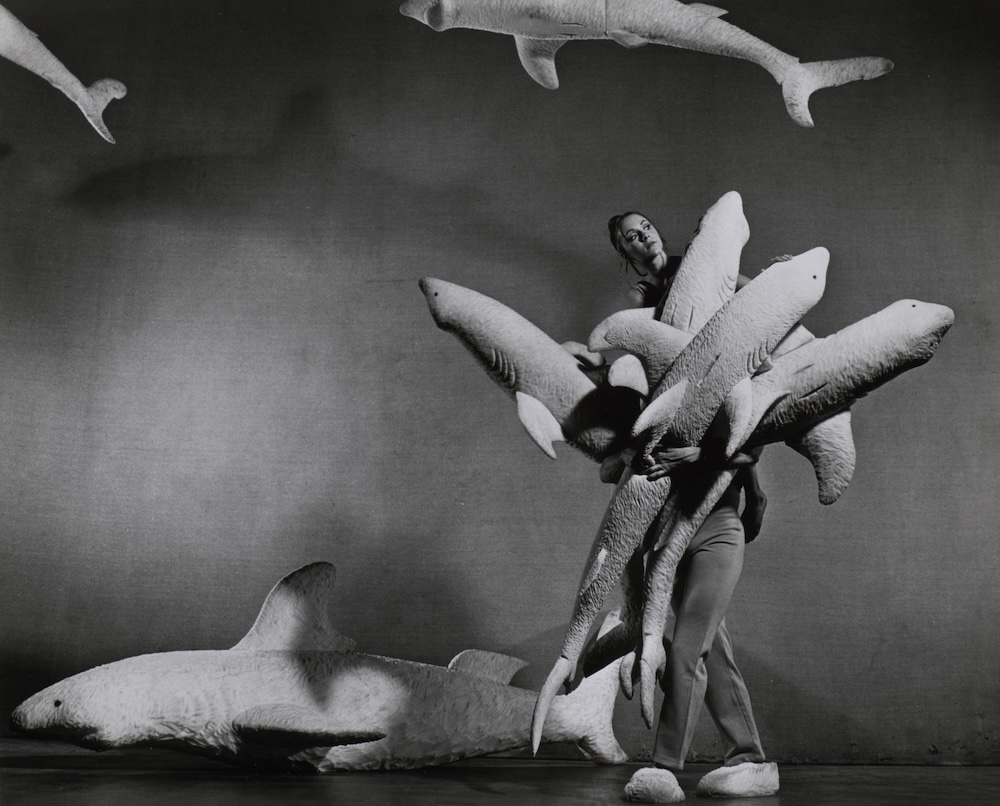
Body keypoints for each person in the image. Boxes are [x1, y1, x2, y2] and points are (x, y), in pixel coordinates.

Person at [605, 211, 778, 802]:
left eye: (645, 226)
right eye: (629, 235)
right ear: (623, 252)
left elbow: (739, 447)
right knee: (709, 644)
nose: (642, 235)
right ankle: (749, 755)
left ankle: (663, 766)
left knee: (687, 646)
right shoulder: (644, 316)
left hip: (718, 515)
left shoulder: (700, 285)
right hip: (667, 519)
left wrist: (768, 290)